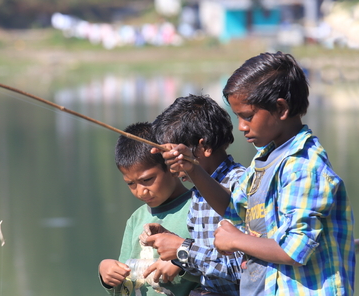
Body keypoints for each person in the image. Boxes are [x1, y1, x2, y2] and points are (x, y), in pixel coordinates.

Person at [150, 52, 356, 295]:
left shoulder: (303, 166)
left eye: (248, 116)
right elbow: (232, 207)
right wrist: (192, 168)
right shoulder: (264, 159)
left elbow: (295, 250)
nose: (241, 127)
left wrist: (236, 240)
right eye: (238, 117)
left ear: (281, 108)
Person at [141, 94, 245, 296]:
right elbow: (205, 266)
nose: (171, 168)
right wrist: (173, 243)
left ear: (204, 147)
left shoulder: (240, 185)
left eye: (174, 156)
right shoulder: (197, 194)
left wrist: (184, 249)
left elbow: (242, 269)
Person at [98, 122, 199, 296]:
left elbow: (217, 267)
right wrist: (107, 273)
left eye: (148, 179)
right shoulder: (136, 219)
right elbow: (126, 286)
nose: (141, 191)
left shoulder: (199, 207)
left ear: (171, 167)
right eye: (130, 183)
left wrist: (180, 263)